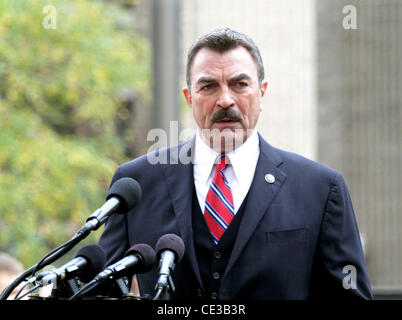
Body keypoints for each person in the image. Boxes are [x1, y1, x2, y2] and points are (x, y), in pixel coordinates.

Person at [98, 28, 373, 300]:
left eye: (240, 84)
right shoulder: (136, 184)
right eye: (208, 86)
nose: (225, 100)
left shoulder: (321, 190)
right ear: (189, 98)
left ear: (262, 93)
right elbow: (100, 290)